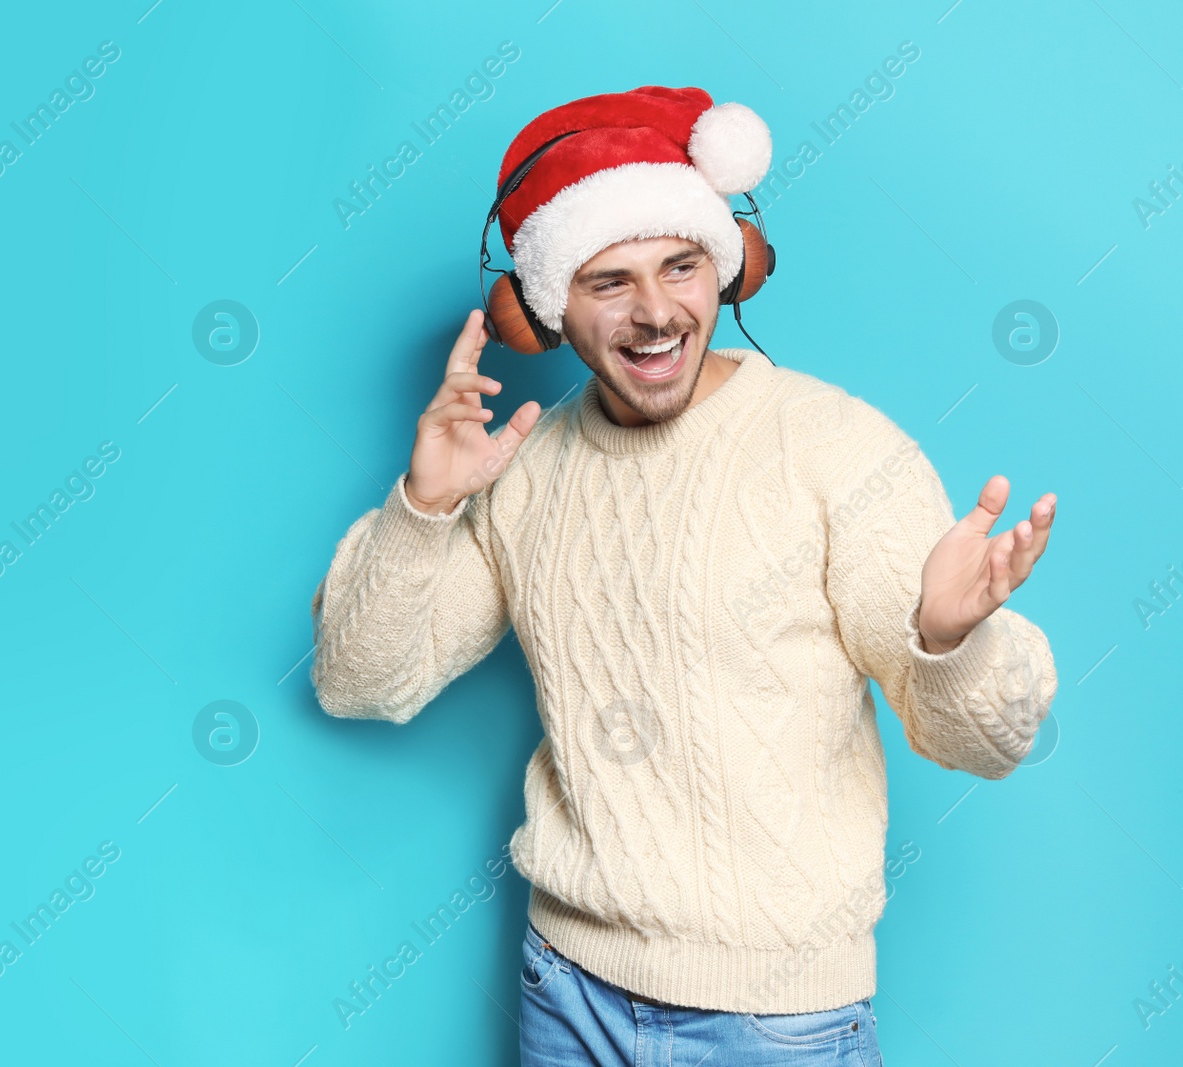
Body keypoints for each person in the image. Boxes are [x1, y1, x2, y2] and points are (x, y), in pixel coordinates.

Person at [308, 85, 1058, 1065]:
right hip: (563, 989)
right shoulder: (523, 471)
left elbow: (987, 742)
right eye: (608, 280)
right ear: (545, 309)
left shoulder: (833, 446)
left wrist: (950, 639)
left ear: (729, 268)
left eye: (681, 265)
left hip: (778, 1022)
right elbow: (360, 683)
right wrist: (421, 506)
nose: (657, 312)